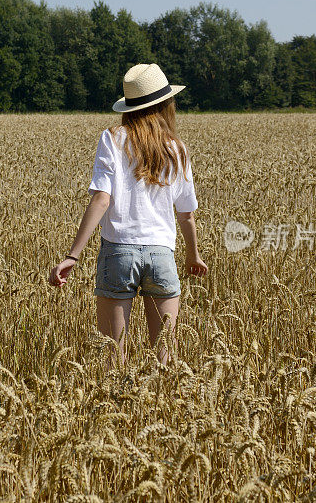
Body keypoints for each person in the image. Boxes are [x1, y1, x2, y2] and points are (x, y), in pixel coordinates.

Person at [48, 63, 208, 364]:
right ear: (166, 104)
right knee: (165, 358)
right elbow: (185, 214)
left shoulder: (113, 138)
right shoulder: (177, 148)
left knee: (112, 358)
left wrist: (73, 255)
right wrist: (192, 255)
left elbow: (101, 200)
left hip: (118, 252)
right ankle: (163, 408)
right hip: (162, 252)